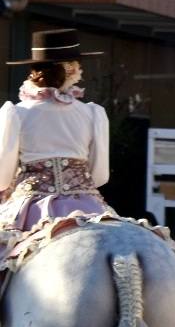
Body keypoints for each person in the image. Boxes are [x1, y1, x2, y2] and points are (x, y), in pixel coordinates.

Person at [0, 29, 110, 241]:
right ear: (71, 70)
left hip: (31, 208)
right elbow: (100, 176)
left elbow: (2, 177)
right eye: (79, 66)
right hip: (87, 205)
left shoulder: (16, 113)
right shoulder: (93, 113)